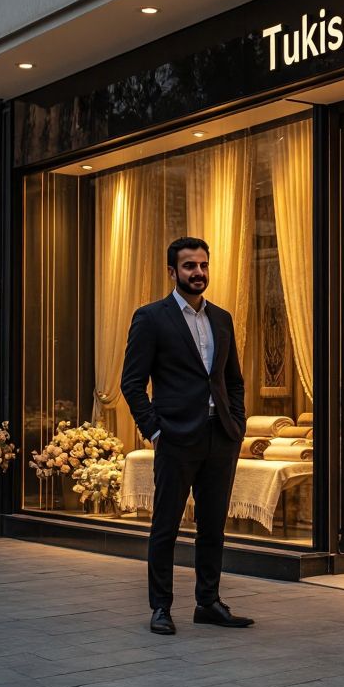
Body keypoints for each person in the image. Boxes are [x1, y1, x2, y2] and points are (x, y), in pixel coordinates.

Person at [121, 236, 253, 635]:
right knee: (166, 527)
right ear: (172, 272)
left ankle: (208, 603)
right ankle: (160, 607)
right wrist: (155, 430)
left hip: (220, 439)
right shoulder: (151, 317)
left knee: (213, 527)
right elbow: (132, 384)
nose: (198, 273)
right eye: (189, 266)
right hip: (175, 439)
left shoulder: (222, 318)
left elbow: (233, 381)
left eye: (202, 265)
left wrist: (237, 425)